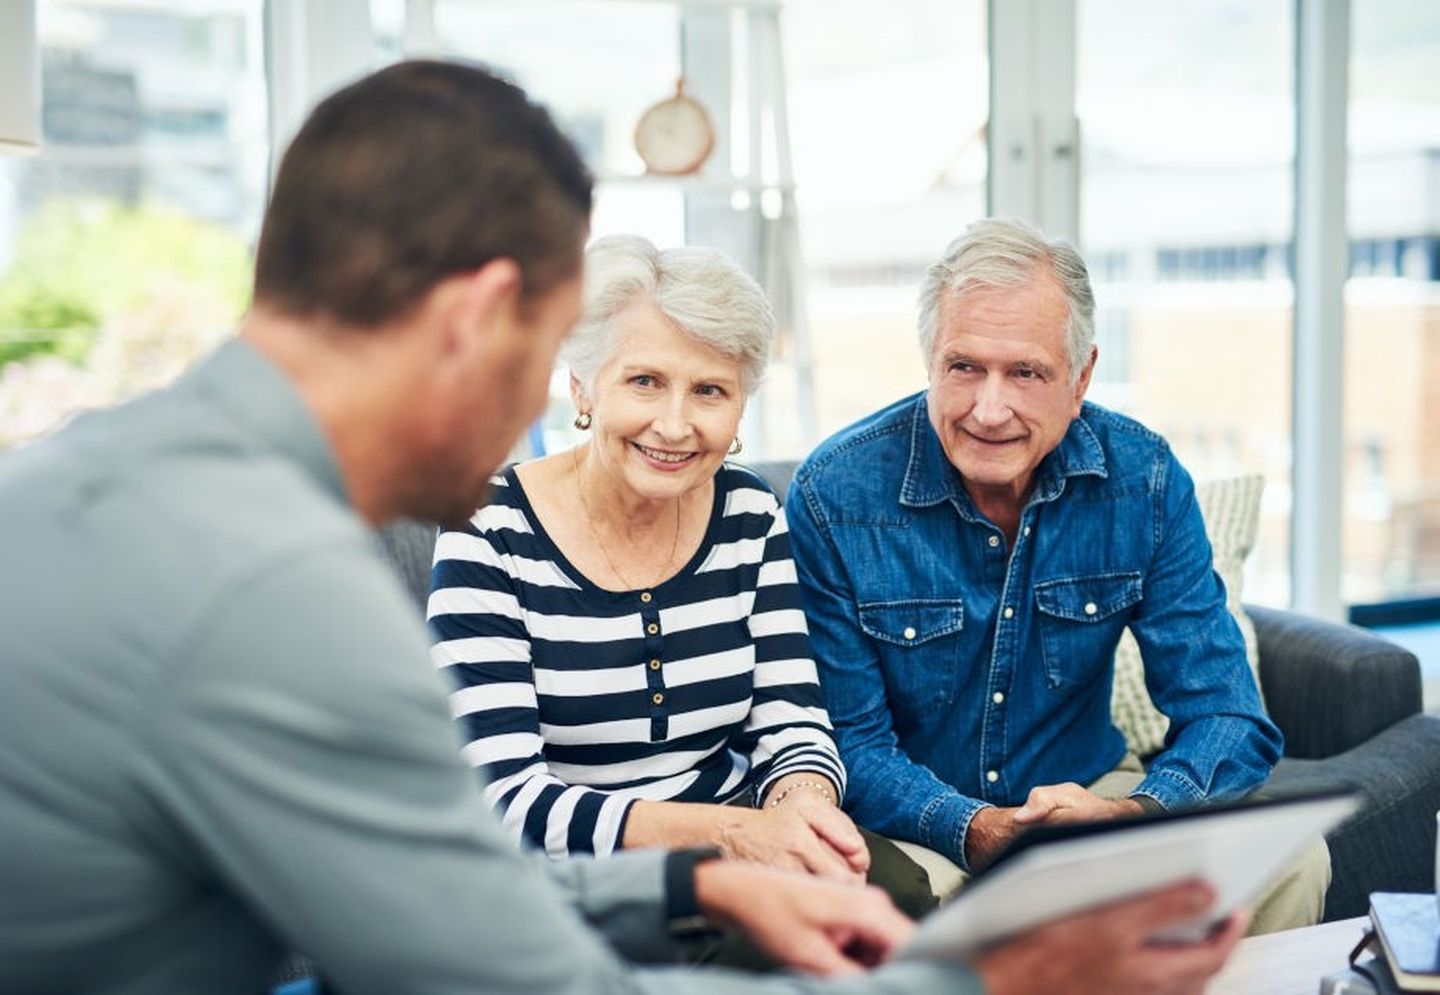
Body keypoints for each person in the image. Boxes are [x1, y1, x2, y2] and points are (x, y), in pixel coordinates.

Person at [0, 62, 1245, 995]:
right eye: (570, 355)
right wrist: (1000, 973)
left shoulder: (85, 479)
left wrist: (692, 873)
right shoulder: (284, 594)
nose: (584, 406)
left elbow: (447, 888)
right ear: (487, 317)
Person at [785, 217, 1330, 932]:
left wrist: (1131, 815)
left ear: (1081, 377)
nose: (989, 408)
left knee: (1295, 858)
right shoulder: (835, 494)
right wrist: (974, 825)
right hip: (918, 824)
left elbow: (1227, 714)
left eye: (1026, 373)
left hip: (1092, 794)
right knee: (935, 910)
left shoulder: (1144, 480)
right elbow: (849, 743)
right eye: (964, 367)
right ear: (930, 362)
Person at [428, 234, 933, 924]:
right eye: (645, 381)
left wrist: (801, 810)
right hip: (575, 877)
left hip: (744, 839)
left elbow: (795, 722)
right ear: (582, 385)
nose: (674, 425)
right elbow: (503, 795)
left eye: (709, 391)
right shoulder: (485, 527)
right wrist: (725, 833)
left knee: (892, 898)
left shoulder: (748, 511)